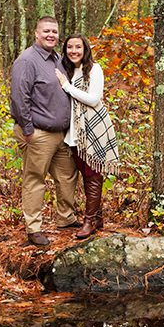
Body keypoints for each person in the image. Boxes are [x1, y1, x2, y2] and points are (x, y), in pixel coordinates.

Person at [10, 17, 81, 247]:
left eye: (54, 31)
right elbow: (19, 98)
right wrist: (29, 130)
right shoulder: (27, 61)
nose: (51, 35)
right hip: (38, 133)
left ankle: (66, 218)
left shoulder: (58, 60)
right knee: (35, 179)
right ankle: (34, 228)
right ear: (36, 33)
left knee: (67, 176)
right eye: (46, 31)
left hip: (62, 134)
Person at [55, 35, 120, 240]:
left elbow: (93, 99)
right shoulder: (67, 70)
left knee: (93, 175)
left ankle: (89, 221)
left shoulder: (94, 69)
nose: (74, 51)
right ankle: (98, 217)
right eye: (70, 47)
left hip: (92, 128)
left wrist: (66, 86)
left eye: (78, 47)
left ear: (85, 49)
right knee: (86, 175)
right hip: (74, 132)